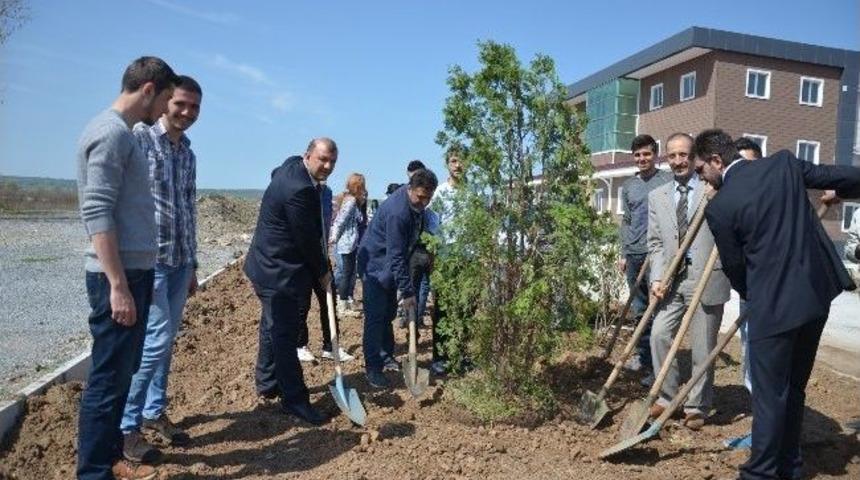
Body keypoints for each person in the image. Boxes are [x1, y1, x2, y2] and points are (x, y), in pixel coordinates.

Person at [694, 128, 860, 480]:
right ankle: (790, 465)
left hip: (773, 308)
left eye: (700, 170)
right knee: (794, 388)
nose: (701, 178)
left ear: (715, 160)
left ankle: (761, 473)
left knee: (770, 395)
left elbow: (736, 269)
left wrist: (756, 295)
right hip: (815, 300)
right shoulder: (783, 164)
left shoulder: (720, 207)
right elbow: (839, 175)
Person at [76, 56, 179, 480]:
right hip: (116, 278)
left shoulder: (125, 134)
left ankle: (112, 457)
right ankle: (95, 471)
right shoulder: (110, 134)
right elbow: (96, 211)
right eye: (166, 100)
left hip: (134, 273)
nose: (163, 113)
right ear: (150, 89)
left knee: (121, 375)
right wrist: (117, 284)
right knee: (106, 379)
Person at [118, 75, 201, 464]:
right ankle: (126, 427)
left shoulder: (187, 153)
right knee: (154, 341)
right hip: (150, 261)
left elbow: (189, 208)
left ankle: (154, 412)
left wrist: (194, 263)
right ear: (166, 101)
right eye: (180, 104)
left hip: (180, 261)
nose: (186, 112)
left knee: (165, 343)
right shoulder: (140, 139)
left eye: (194, 107)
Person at [245, 138, 339, 426]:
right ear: (307, 155)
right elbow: (307, 241)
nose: (327, 166)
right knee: (285, 334)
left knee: (271, 325)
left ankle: (267, 382)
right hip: (278, 271)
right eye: (322, 159)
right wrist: (323, 271)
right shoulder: (301, 190)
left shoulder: (290, 168)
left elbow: (280, 167)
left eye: (332, 162)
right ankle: (295, 399)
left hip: (263, 265)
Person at [647, 132, 730, 431]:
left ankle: (697, 406)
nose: (679, 161)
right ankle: (667, 398)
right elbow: (656, 243)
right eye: (672, 156)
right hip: (672, 281)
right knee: (658, 335)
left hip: (706, 278)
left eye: (684, 155)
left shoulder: (714, 189)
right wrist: (657, 277)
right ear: (666, 159)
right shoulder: (657, 196)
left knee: (701, 346)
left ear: (694, 157)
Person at [358, 169, 438, 389]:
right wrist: (409, 291)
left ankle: (386, 356)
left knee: (388, 313)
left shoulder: (414, 206)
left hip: (391, 266)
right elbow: (395, 254)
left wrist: (405, 286)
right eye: (420, 197)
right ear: (410, 188)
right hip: (375, 267)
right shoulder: (398, 212)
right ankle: (373, 368)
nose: (423, 203)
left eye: (428, 198)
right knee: (376, 317)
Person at [619, 134, 672, 384]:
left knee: (658, 309)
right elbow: (626, 221)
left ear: (655, 154)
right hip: (633, 252)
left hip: (658, 253)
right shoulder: (629, 186)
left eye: (646, 154)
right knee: (640, 309)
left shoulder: (667, 180)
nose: (642, 159)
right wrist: (623, 253)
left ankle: (658, 367)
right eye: (638, 155)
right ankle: (642, 357)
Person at [429, 145, 466, 374]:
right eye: (454, 161)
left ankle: (461, 355)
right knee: (443, 309)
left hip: (469, 260)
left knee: (466, 310)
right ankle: (439, 357)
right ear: (447, 164)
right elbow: (433, 229)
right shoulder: (440, 194)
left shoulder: (475, 193)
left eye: (461, 161)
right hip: (446, 259)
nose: (458, 165)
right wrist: (434, 262)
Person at [329, 173, 368, 316]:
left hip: (351, 242)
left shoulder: (352, 201)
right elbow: (341, 221)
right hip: (346, 243)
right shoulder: (350, 201)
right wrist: (334, 237)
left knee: (350, 272)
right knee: (347, 273)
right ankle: (342, 304)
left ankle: (346, 301)